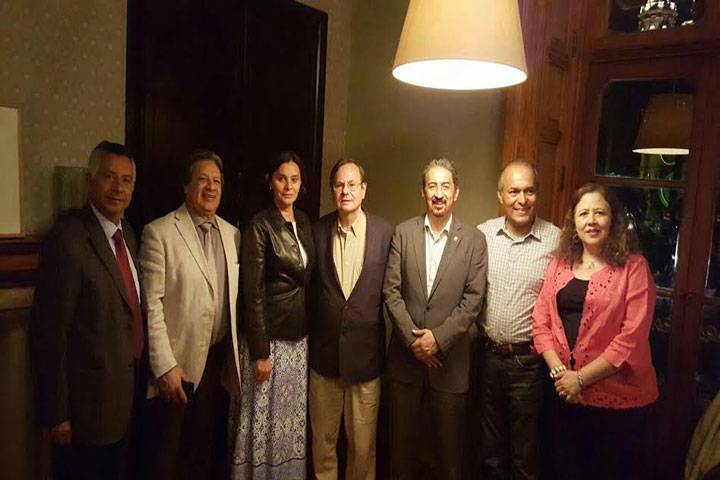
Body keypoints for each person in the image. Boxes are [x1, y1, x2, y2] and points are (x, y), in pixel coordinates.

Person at [31, 141, 146, 480]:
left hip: (124, 398)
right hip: (84, 411)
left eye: (126, 180)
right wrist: (57, 414)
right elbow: (50, 333)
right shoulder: (67, 239)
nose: (118, 188)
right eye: (108, 177)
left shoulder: (129, 235)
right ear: (89, 180)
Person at [532, 183, 658, 480]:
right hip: (563, 394)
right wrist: (562, 376)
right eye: (583, 213)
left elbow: (631, 338)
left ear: (612, 219)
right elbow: (540, 323)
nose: (591, 221)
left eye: (599, 213)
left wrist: (580, 379)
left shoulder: (634, 268)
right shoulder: (559, 264)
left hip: (617, 402)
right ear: (574, 222)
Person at [383, 158, 487, 480]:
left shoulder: (474, 241)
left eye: (445, 186)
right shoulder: (403, 233)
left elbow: (473, 301)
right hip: (405, 364)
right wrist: (415, 342)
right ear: (423, 192)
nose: (439, 193)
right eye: (432, 186)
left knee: (449, 460)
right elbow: (391, 292)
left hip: (450, 365)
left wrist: (437, 340)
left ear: (456, 192)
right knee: (400, 458)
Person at [139, 150, 241, 479]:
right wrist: (164, 366)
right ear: (186, 186)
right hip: (177, 366)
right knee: (166, 458)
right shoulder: (159, 232)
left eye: (217, 181)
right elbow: (151, 305)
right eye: (203, 179)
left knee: (201, 455)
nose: (211, 187)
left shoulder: (233, 234)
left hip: (216, 362)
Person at [232, 151, 315, 479]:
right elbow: (251, 292)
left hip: (298, 340)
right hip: (269, 343)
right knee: (262, 420)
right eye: (282, 178)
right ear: (271, 182)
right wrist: (260, 351)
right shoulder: (260, 224)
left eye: (294, 179)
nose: (288, 186)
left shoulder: (304, 222)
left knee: (288, 420)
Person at [475, 160, 560, 479]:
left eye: (529, 191)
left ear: (537, 194)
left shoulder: (556, 240)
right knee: (489, 452)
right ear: (500, 196)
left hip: (529, 363)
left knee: (525, 455)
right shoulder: (483, 235)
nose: (522, 200)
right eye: (513, 192)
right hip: (486, 357)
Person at [309, 159, 394, 480]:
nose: (346, 191)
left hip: (365, 362)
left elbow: (394, 291)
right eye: (339, 185)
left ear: (364, 189)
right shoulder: (317, 231)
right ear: (333, 191)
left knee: (362, 448)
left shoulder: (385, 233)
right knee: (323, 444)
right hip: (325, 360)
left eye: (352, 184)